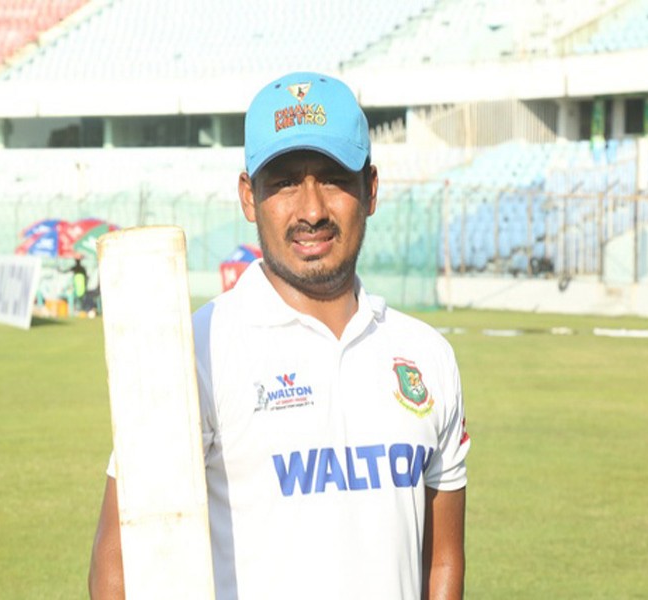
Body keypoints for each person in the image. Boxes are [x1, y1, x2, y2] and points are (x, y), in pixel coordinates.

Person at [88, 71, 471, 600]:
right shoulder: (193, 351)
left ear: (371, 189)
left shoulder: (427, 355)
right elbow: (117, 572)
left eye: (333, 179)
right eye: (286, 182)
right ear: (249, 197)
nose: (311, 210)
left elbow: (443, 560)